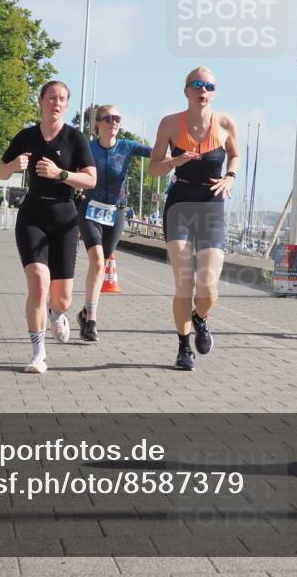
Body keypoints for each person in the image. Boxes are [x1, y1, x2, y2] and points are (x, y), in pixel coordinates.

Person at [0, 80, 96, 373]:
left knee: (61, 298)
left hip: (65, 217)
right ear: (41, 101)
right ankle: (38, 353)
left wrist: (61, 173)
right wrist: (14, 165)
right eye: (51, 97)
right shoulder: (26, 135)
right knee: (38, 284)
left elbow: (91, 180)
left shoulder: (75, 138)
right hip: (33, 215)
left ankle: (56, 313)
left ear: (66, 104)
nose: (56, 103)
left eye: (62, 98)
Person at [150, 67, 239, 371]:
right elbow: (154, 169)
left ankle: (201, 319)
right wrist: (176, 160)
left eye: (209, 86)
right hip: (180, 205)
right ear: (186, 90)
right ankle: (182, 347)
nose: (203, 91)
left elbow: (235, 154)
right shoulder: (171, 124)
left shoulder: (225, 123)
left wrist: (230, 176)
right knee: (184, 284)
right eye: (197, 85)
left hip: (212, 205)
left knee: (208, 288)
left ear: (213, 92)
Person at [75, 104, 152, 341]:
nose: (114, 122)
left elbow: (157, 152)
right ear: (97, 124)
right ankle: (91, 322)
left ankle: (86, 310)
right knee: (97, 263)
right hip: (89, 209)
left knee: (103, 263)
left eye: (117, 118)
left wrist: (179, 152)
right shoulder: (87, 148)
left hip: (116, 212)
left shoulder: (127, 147)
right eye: (108, 118)